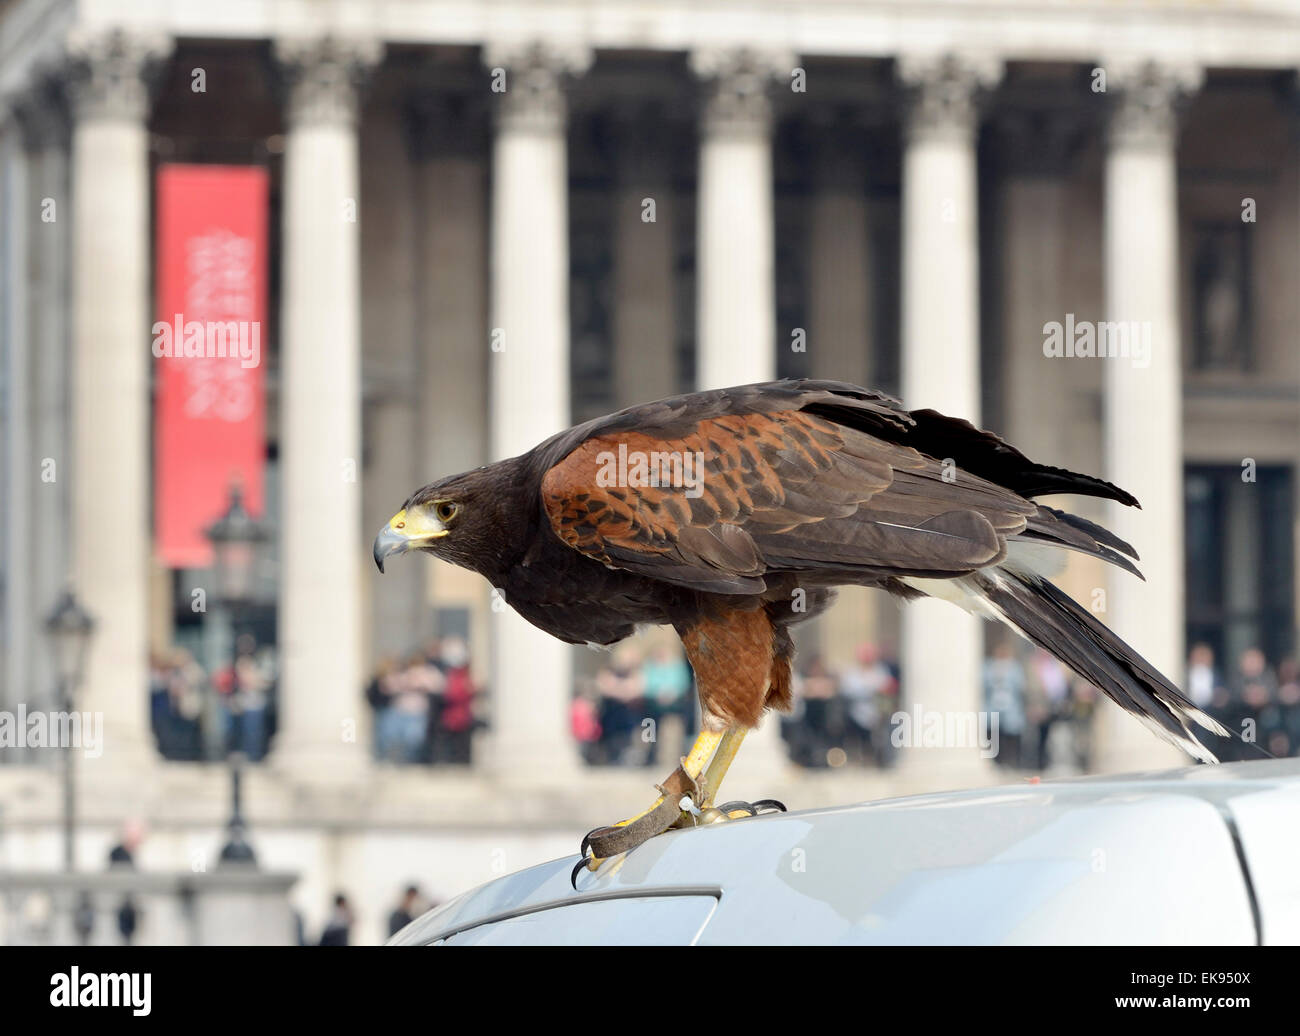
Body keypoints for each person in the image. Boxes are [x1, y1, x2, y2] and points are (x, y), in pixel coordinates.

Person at [839, 643, 894, 766]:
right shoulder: (852, 672)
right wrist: (870, 690)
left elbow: (886, 686)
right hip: (855, 712)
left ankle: (877, 757)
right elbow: (848, 690)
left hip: (876, 712)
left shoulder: (880, 670)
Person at [640, 642, 693, 766]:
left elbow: (682, 684)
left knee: (687, 717)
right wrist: (658, 693)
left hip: (674, 703)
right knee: (649, 721)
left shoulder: (676, 666)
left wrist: (671, 694)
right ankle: (650, 753)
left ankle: (684, 750)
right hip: (654, 703)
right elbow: (646, 684)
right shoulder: (650, 666)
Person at [983, 642, 1027, 768]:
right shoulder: (989, 666)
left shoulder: (1014, 667)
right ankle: (996, 761)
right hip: (993, 706)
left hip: (1010, 706)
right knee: (994, 734)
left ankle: (1011, 761)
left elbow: (1019, 686)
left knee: (1011, 734)